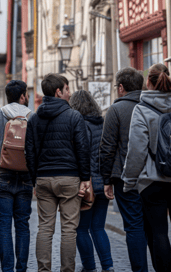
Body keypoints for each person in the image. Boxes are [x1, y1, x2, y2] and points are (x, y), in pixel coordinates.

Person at [122, 63, 171, 272]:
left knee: (159, 232)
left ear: (148, 82)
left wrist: (129, 181)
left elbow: (136, 150)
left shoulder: (142, 109)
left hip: (152, 181)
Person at [25, 73, 91, 272]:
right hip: (69, 177)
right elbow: (82, 149)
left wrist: (35, 179)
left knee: (45, 228)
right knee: (69, 229)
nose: (70, 93)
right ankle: (67, 270)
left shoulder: (34, 118)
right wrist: (85, 178)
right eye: (67, 89)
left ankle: (43, 270)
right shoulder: (74, 116)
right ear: (58, 92)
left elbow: (29, 152)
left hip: (43, 178)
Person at [99, 67, 148, 272]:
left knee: (134, 225)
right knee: (155, 226)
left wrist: (106, 179)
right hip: (155, 175)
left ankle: (140, 270)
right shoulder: (151, 106)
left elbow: (107, 147)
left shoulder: (117, 110)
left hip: (125, 176)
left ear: (121, 88)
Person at [0, 80, 33, 272]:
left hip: (2, 176)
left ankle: (7, 269)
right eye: (27, 94)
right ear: (22, 96)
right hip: (26, 177)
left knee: (4, 226)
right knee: (23, 225)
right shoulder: (33, 117)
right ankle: (21, 268)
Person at [69, 90, 114, 272]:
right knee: (98, 228)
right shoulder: (102, 124)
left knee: (81, 229)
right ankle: (108, 266)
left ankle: (89, 267)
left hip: (87, 184)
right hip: (103, 183)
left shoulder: (80, 126)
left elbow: (82, 156)